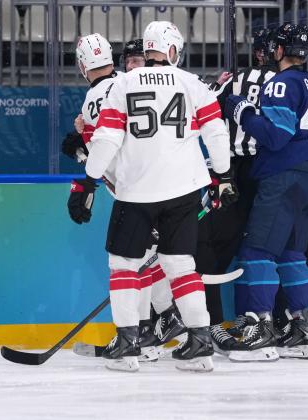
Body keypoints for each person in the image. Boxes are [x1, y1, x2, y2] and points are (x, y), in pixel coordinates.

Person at [66, 21, 236, 372]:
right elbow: (216, 132)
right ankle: (200, 343)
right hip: (185, 189)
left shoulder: (124, 83)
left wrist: (87, 183)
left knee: (124, 265)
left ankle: (128, 344)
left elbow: (108, 140)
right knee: (180, 266)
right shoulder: (191, 82)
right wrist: (223, 176)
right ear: (173, 51)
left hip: (136, 191)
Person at [223, 23, 308, 362]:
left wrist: (240, 109)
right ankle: (300, 331)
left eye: (273, 48)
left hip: (281, 177)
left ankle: (261, 330)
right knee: (291, 255)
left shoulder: (280, 84)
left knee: (256, 252)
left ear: (280, 51)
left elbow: (276, 136)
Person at [61, 35, 185, 363]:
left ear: (82, 65)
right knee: (147, 257)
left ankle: (140, 332)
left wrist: (82, 169)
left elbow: (100, 153)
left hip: (134, 192)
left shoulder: (92, 101)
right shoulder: (130, 82)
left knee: (126, 261)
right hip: (166, 181)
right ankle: (164, 321)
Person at [194, 28, 278, 356]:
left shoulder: (234, 80)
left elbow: (204, 109)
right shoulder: (295, 83)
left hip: (233, 170)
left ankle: (220, 320)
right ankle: (280, 321)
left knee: (214, 244)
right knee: (265, 249)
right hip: (271, 172)